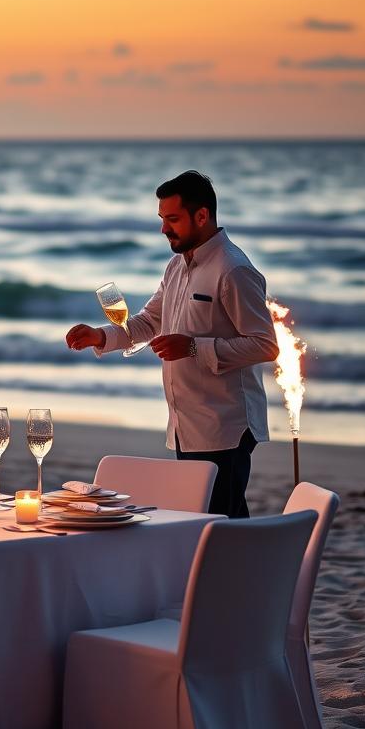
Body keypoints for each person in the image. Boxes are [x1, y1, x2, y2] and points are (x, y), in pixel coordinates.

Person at [65, 170, 278, 518]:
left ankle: (242, 572)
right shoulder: (176, 266)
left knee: (217, 524)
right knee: (210, 521)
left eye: (173, 219)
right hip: (186, 424)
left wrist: (194, 347)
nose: (164, 229)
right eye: (163, 219)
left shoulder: (234, 270)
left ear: (202, 215)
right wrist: (102, 336)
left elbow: (265, 345)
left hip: (225, 425)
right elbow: (150, 320)